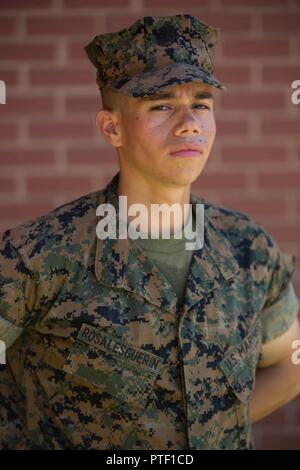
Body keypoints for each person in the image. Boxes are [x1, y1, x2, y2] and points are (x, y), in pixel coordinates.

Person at [0, 14, 299, 450]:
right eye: (160, 105)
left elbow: (290, 364)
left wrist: (197, 436)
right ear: (112, 127)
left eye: (201, 103)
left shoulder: (247, 248)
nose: (189, 122)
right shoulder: (39, 255)